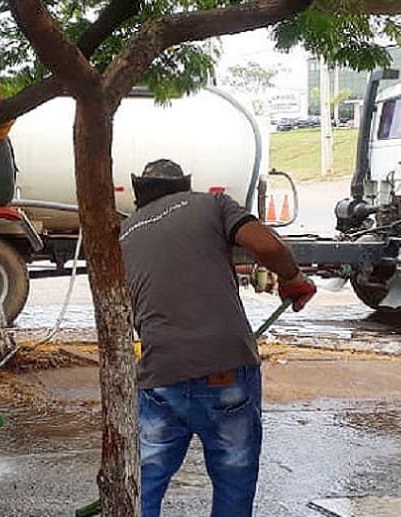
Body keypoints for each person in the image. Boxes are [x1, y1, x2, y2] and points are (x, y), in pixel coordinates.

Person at [119, 159, 316, 517]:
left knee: (144, 487)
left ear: (139, 195)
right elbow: (267, 246)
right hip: (225, 372)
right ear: (183, 186)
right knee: (233, 483)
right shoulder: (212, 204)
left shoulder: (124, 234)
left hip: (160, 378)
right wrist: (292, 278)